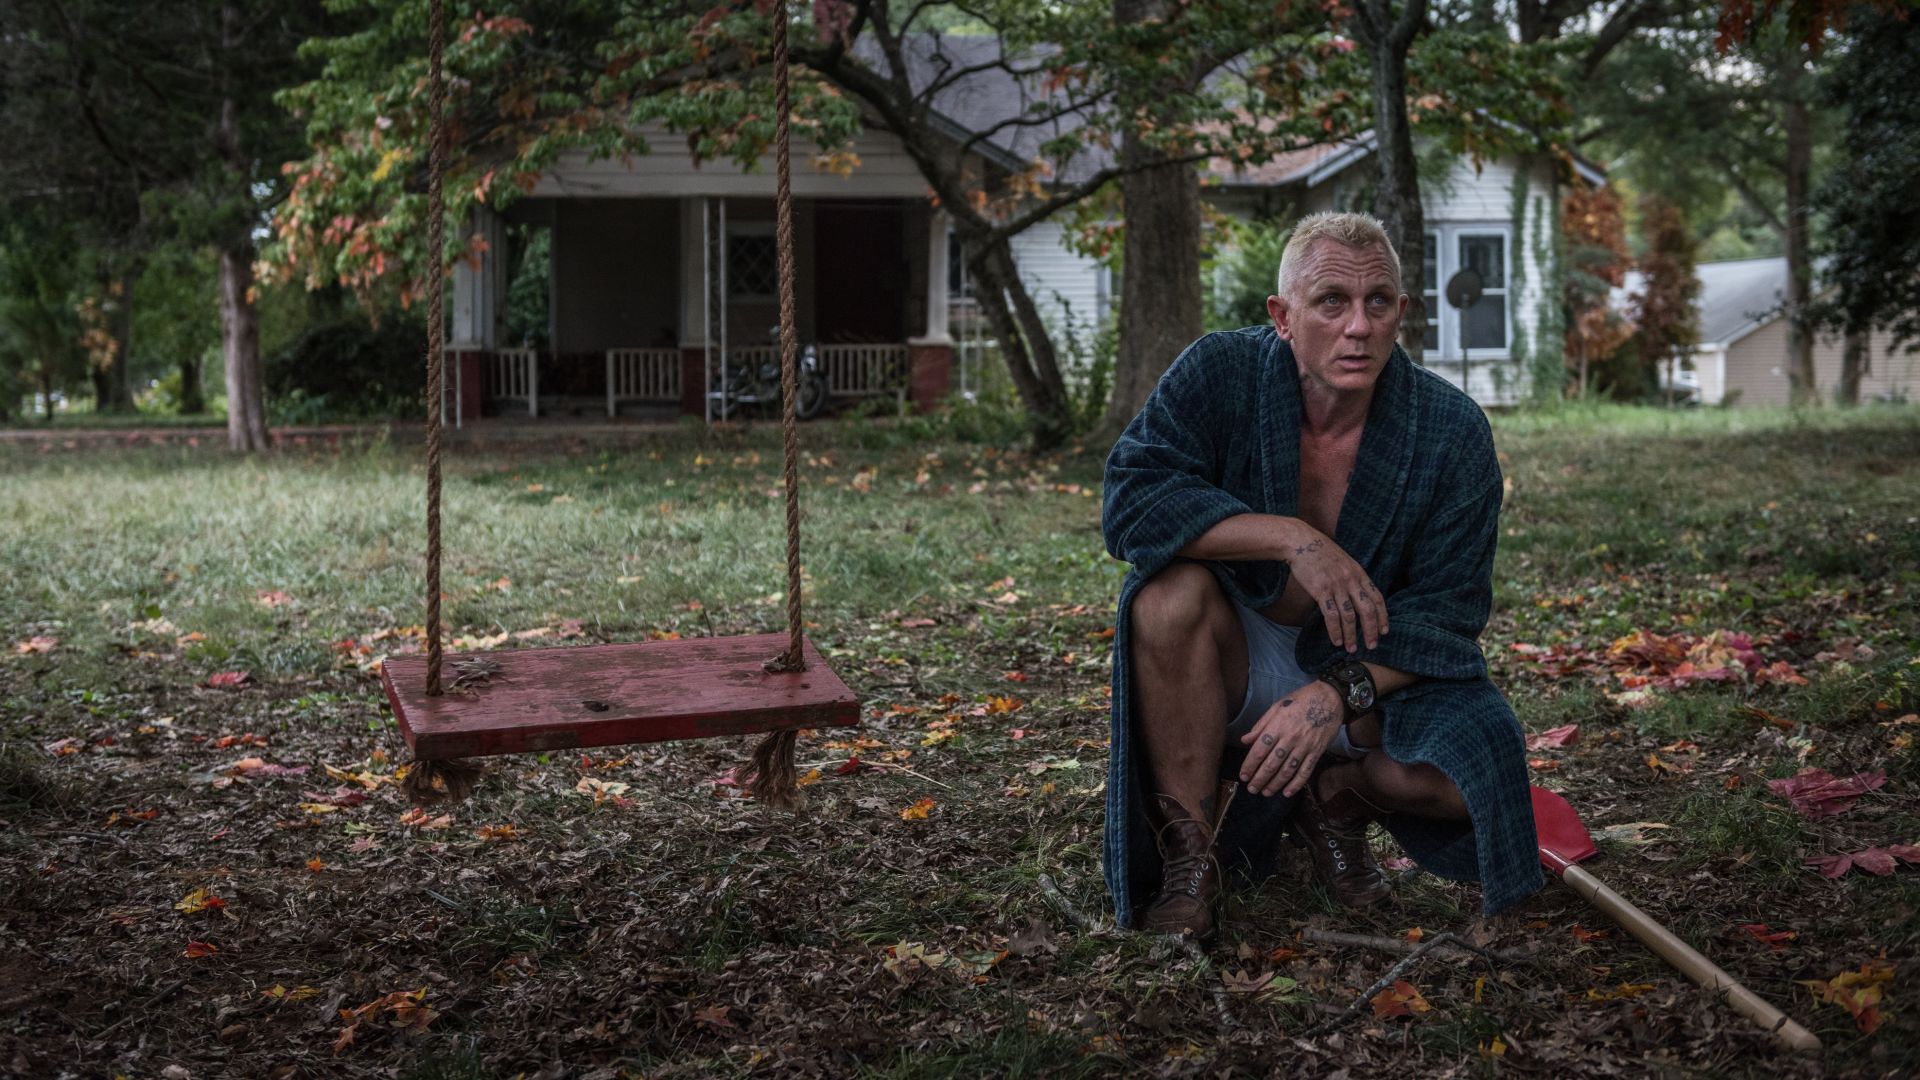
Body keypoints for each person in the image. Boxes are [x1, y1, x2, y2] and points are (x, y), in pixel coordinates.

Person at [1100, 211, 1540, 939]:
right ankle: (1190, 852)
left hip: (1370, 666)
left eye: (1378, 303)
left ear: (1401, 312)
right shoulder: (1220, 373)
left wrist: (1338, 694)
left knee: (1478, 771)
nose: (1358, 327)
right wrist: (1292, 539)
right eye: (1331, 301)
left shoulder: (1451, 431)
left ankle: (1337, 800)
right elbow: (1132, 504)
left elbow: (1448, 613)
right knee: (1164, 595)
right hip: (1230, 649)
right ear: (1282, 314)